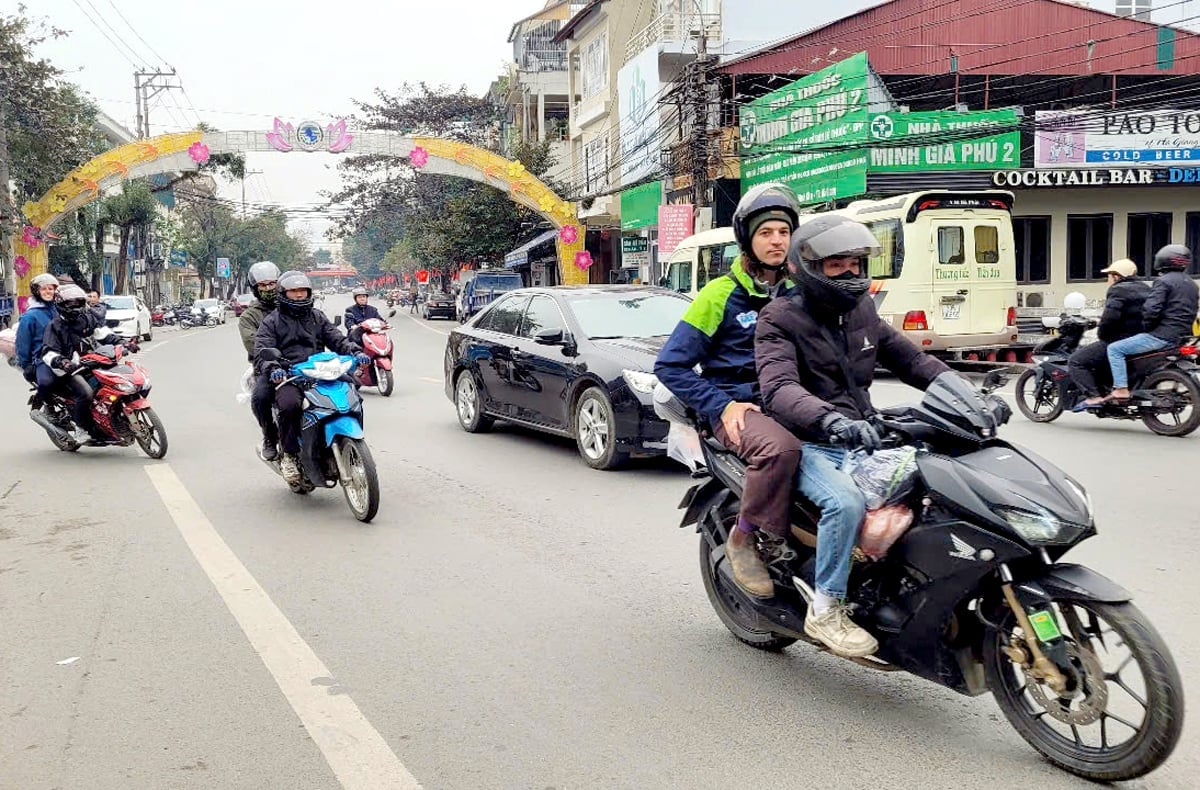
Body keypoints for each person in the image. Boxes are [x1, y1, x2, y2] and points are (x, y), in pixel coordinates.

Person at [756, 215, 959, 658]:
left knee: (937, 477)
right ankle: (826, 608)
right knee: (844, 502)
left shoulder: (862, 310)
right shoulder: (778, 318)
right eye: (836, 265)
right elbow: (779, 388)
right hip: (810, 438)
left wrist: (961, 390)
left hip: (863, 430)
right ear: (804, 268)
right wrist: (831, 420)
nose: (849, 272)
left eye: (854, 262)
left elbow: (911, 360)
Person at [655, 184, 804, 598]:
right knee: (780, 451)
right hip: (737, 411)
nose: (776, 240)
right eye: (766, 232)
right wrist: (722, 404)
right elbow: (670, 365)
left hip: (790, 404)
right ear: (749, 241)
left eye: (783, 232)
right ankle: (747, 537)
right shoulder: (718, 295)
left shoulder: (799, 294)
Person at [254, 270, 367, 484]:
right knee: (289, 405)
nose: (299, 295)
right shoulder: (271, 322)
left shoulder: (317, 317)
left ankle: (347, 442)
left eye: (302, 291)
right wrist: (274, 367)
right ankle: (288, 455)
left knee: (353, 394)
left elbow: (337, 339)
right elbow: (263, 349)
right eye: (293, 291)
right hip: (289, 375)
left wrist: (356, 352)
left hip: (319, 371)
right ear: (283, 294)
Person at [1089, 244, 1200, 406]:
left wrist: (1147, 327)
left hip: (1162, 335)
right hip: (1183, 336)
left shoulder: (1163, 282)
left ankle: (1120, 388)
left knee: (1115, 349)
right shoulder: (1191, 284)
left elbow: (1151, 309)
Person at [41, 284, 127, 442]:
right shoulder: (54, 326)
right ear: (61, 305)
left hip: (91, 361)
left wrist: (122, 342)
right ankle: (81, 428)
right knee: (86, 393)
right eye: (70, 303)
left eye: (78, 303)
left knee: (115, 382)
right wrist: (62, 362)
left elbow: (102, 333)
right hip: (69, 370)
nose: (75, 307)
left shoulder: (86, 318)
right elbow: (48, 352)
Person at [1068, 259, 1149, 409]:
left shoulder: (1118, 290)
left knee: (1076, 361)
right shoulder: (1146, 288)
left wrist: (1102, 334)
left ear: (1117, 276)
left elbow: (1110, 318)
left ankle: (1093, 397)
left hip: (1119, 339)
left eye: (1109, 276)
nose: (1108, 280)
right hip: (1141, 339)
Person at [238, 261, 282, 460]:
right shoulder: (249, 316)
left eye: (272, 284)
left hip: (301, 363)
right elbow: (254, 346)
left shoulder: (293, 306)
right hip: (267, 366)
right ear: (255, 289)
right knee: (260, 398)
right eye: (263, 286)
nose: (268, 289)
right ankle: (270, 437)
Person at [15, 274, 59, 402]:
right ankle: (49, 408)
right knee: (45, 383)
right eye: (44, 289)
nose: (48, 292)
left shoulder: (59, 310)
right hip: (41, 358)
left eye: (50, 288)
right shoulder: (30, 316)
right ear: (37, 291)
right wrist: (26, 365)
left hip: (62, 355)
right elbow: (22, 343)